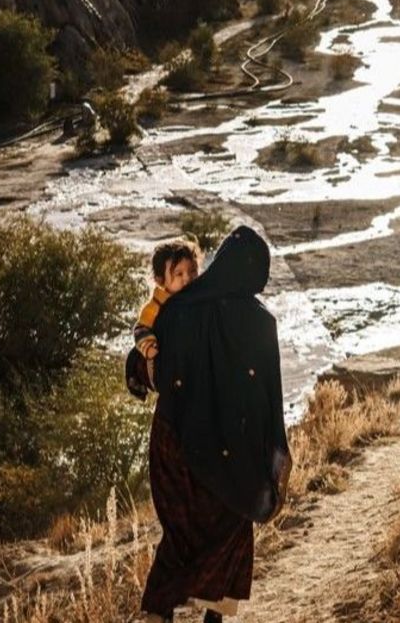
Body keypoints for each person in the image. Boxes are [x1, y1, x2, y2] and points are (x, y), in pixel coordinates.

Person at [142, 226, 292, 623]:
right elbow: (268, 395)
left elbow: (150, 369)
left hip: (174, 443)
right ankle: (212, 617)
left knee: (180, 532)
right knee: (231, 526)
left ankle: (159, 611)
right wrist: (269, 454)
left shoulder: (179, 307)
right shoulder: (261, 323)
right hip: (231, 450)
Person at [126, 238, 202, 401]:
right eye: (179, 274)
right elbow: (141, 328)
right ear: (161, 280)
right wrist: (149, 345)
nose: (187, 278)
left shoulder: (199, 297)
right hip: (168, 371)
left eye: (192, 271)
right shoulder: (157, 304)